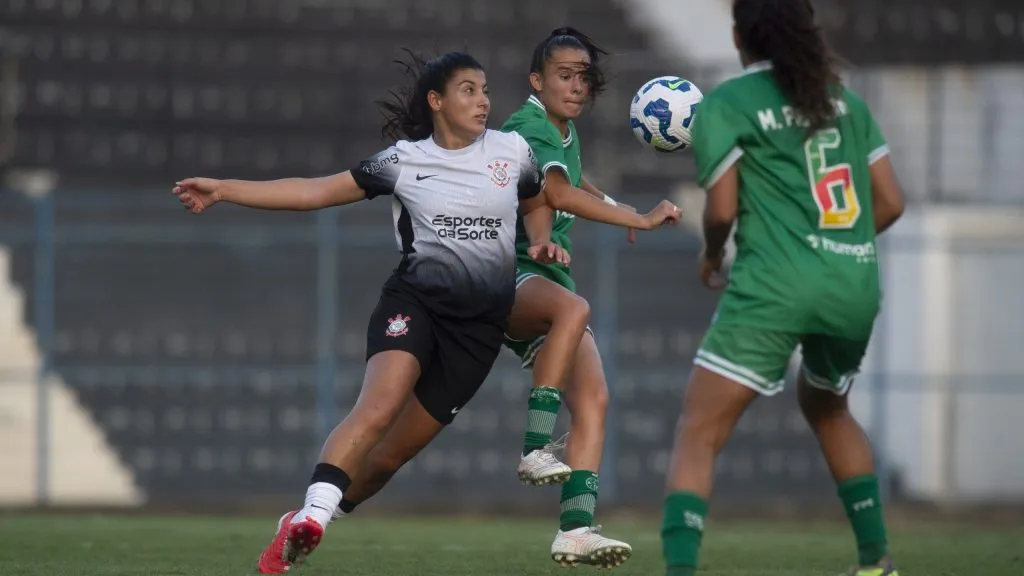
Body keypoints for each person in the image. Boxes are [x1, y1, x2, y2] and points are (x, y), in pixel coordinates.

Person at [172, 50, 570, 575]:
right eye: (468, 90)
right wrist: (225, 189)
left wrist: (540, 240)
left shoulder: (511, 151)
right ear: (436, 101)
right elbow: (315, 191)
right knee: (377, 408)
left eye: (485, 90)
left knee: (384, 462)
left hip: (477, 333)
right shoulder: (402, 161)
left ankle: (300, 518)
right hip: (415, 306)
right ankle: (313, 516)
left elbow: (537, 198)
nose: (483, 101)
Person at [659, 1, 905, 575]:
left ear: (740, 36)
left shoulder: (728, 102)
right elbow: (890, 202)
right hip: (853, 283)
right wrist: (833, 248)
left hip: (774, 284)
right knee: (828, 407)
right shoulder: (845, 103)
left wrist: (713, 252)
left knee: (699, 429)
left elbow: (720, 209)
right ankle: (877, 561)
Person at [502, 26, 681, 568]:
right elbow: (555, 192)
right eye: (563, 75)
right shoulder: (528, 125)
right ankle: (535, 449)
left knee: (595, 400)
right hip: (506, 275)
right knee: (575, 310)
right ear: (537, 80)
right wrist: (640, 220)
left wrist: (621, 207)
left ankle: (574, 531)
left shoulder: (563, 132)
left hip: (547, 281)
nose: (576, 86)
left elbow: (578, 183)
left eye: (583, 77)